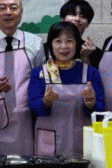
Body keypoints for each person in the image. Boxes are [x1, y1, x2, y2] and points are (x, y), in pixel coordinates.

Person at [0, 0, 45, 157]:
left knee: (24, 165)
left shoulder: (35, 43)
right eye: (2, 8)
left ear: (21, 12)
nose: (8, 12)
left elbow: (41, 81)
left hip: (26, 118)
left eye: (13, 7)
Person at [29, 21, 104, 158]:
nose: (63, 46)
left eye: (69, 41)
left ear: (77, 44)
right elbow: (33, 107)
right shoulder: (40, 73)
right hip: (48, 144)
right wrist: (46, 101)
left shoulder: (90, 72)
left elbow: (100, 110)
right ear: (50, 45)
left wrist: (90, 102)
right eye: (58, 41)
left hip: (82, 143)